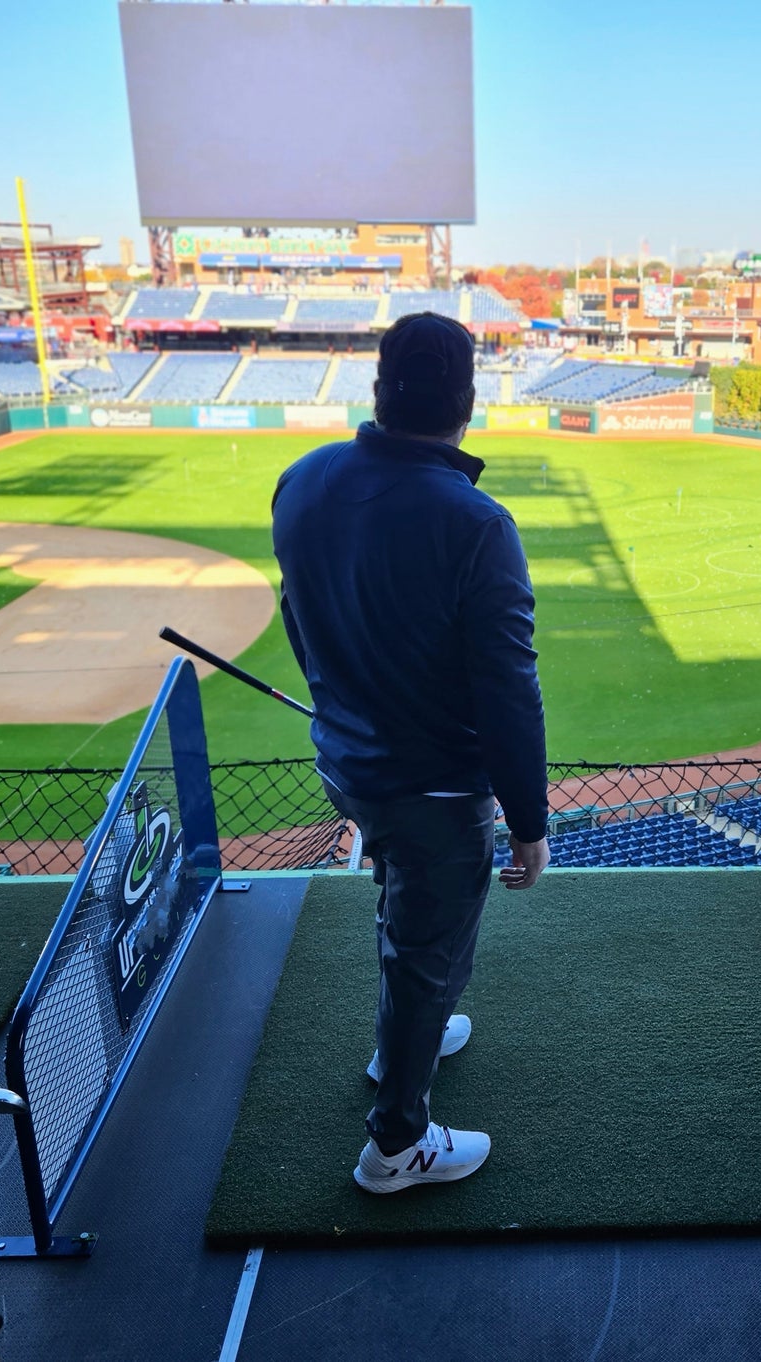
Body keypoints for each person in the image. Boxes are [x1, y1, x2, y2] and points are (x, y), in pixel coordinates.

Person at [271, 312, 549, 1194]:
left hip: (350, 768)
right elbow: (508, 692)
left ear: (380, 391)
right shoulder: (476, 524)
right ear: (468, 403)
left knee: (405, 919)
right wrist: (530, 823)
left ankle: (408, 1039)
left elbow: (298, 621)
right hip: (432, 793)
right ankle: (396, 1145)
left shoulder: (302, 481)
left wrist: (337, 705)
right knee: (429, 951)